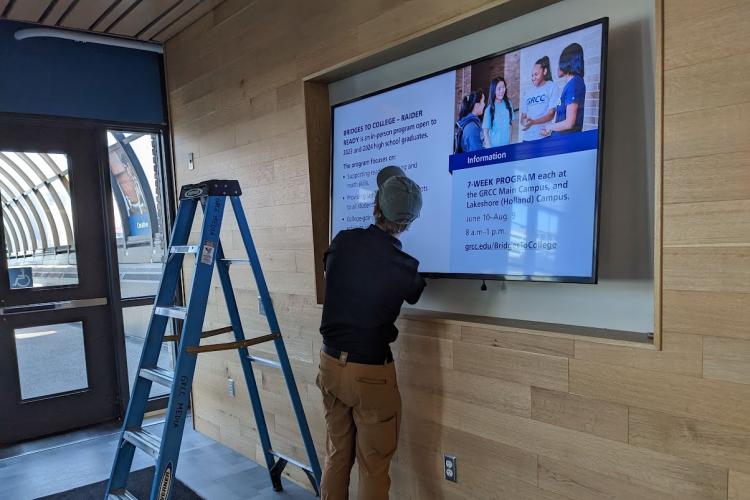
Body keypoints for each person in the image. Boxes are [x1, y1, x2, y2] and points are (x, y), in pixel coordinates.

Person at [317, 165, 426, 500]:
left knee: (337, 456)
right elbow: (416, 291)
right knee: (373, 466)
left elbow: (331, 268)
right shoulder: (406, 268)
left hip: (331, 365)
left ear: (375, 206)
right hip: (372, 376)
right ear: (407, 222)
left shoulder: (342, 242)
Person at [541, 43, 586, 136]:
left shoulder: (575, 84)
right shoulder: (572, 83)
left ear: (567, 62)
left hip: (567, 143)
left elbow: (569, 123)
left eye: (560, 61)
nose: (558, 66)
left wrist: (549, 127)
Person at [519, 56, 558, 141]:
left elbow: (551, 114)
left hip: (543, 138)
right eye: (532, 75)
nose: (533, 78)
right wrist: (524, 122)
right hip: (527, 139)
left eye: (536, 74)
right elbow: (523, 117)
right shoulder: (528, 92)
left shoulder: (552, 86)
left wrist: (533, 122)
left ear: (545, 71)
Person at [482, 77, 514, 147]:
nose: (502, 91)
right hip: (494, 149)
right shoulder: (489, 110)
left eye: (503, 87)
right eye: (499, 89)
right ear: (494, 91)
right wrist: (490, 150)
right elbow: (486, 132)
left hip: (507, 146)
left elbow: (510, 125)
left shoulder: (509, 103)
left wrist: (510, 142)